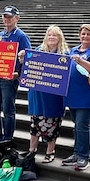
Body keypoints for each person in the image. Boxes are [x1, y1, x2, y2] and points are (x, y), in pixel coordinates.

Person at [21, 25, 69, 162]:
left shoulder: (64, 54)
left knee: (53, 123)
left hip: (54, 96)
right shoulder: (37, 51)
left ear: (60, 38)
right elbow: (28, 68)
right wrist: (22, 58)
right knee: (35, 123)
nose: (51, 37)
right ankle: (32, 150)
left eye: (55, 35)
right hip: (37, 93)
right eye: (49, 35)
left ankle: (50, 151)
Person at [61, 23, 90, 171]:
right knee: (77, 125)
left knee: (82, 125)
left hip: (88, 94)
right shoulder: (73, 50)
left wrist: (80, 61)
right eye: (83, 34)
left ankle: (84, 157)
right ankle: (76, 153)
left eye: (89, 34)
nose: (85, 36)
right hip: (73, 93)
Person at [0, 5, 31, 144]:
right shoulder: (0, 35)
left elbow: (28, 58)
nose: (7, 19)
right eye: (5, 16)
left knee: (8, 110)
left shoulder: (21, 36)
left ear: (17, 18)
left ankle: (7, 140)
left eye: (10, 17)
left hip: (9, 79)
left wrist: (18, 74)